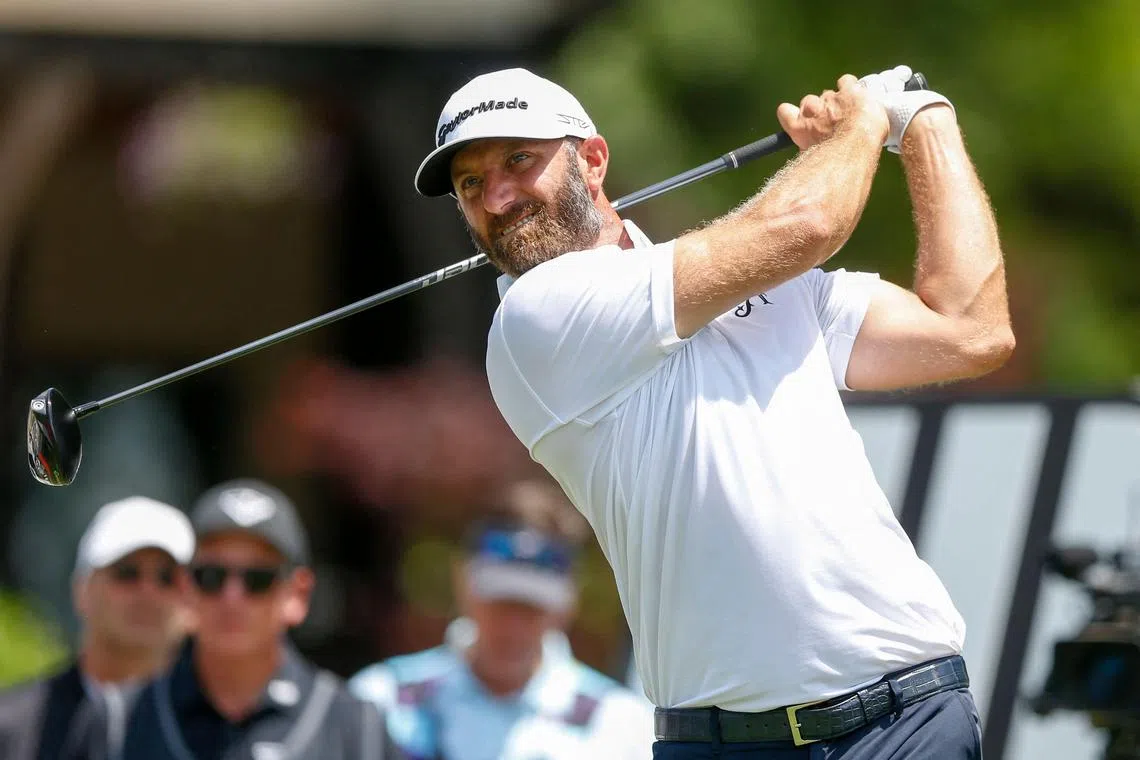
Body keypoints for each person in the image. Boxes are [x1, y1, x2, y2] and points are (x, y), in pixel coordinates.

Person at [412, 65, 1015, 758]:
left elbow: (972, 331)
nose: (498, 195)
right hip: (721, 742)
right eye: (471, 184)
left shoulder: (764, 282)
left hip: (902, 720)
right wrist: (861, 126)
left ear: (594, 161)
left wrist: (924, 122)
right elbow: (809, 221)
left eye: (519, 160)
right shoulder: (534, 320)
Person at [349, 478, 655, 759]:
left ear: (568, 602)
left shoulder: (617, 724)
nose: (513, 625)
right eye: (499, 600)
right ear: (463, 581)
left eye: (532, 607)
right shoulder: (380, 702)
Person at [121, 478, 400, 760]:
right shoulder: (125, 718)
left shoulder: (355, 727)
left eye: (258, 580)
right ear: (184, 587)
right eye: (212, 576)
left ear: (298, 595)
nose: (232, 597)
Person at [0, 496, 195, 760]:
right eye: (126, 573)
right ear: (82, 590)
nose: (148, 593)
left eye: (167, 578)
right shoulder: (11, 725)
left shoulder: (231, 725)